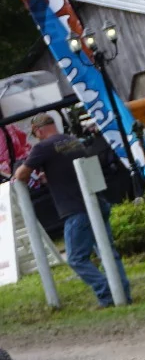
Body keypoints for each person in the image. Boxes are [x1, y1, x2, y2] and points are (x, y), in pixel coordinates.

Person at [9, 113, 127, 307]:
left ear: (38, 131)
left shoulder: (43, 147)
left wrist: (22, 171)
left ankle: (106, 294)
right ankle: (123, 293)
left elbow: (21, 174)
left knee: (76, 258)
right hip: (97, 202)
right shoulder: (73, 141)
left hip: (76, 209)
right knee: (108, 252)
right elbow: (71, 170)